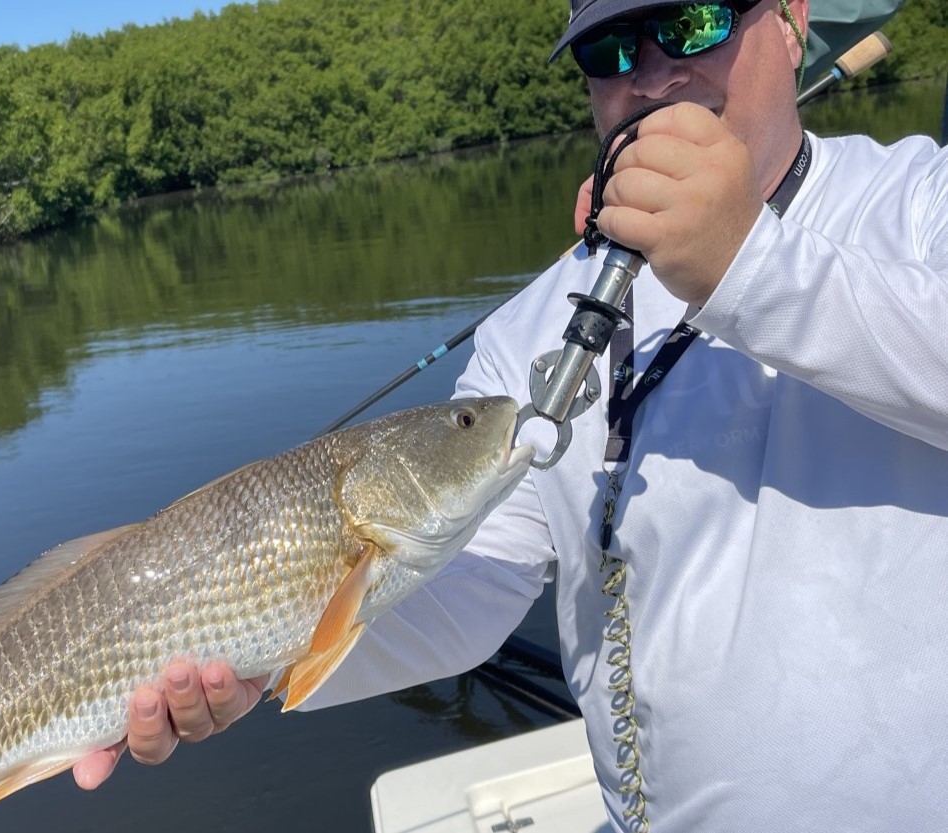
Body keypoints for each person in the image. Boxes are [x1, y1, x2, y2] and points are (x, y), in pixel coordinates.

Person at [73, 0, 948, 828]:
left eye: (691, 22)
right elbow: (472, 587)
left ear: (793, 21)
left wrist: (744, 263)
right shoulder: (532, 326)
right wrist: (250, 641)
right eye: (610, 51)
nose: (648, 78)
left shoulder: (917, 202)